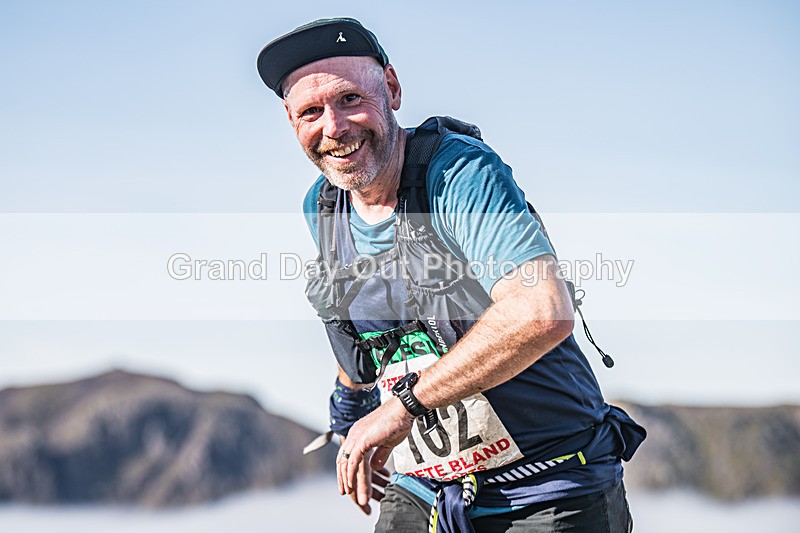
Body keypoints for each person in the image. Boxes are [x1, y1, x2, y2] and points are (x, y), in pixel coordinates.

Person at [257, 17, 645, 533]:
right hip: (426, 492)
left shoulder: (459, 174)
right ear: (292, 121)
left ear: (391, 89)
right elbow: (373, 323)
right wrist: (350, 409)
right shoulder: (324, 207)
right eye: (312, 111)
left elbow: (542, 312)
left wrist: (399, 411)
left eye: (350, 99)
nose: (334, 127)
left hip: (548, 489)